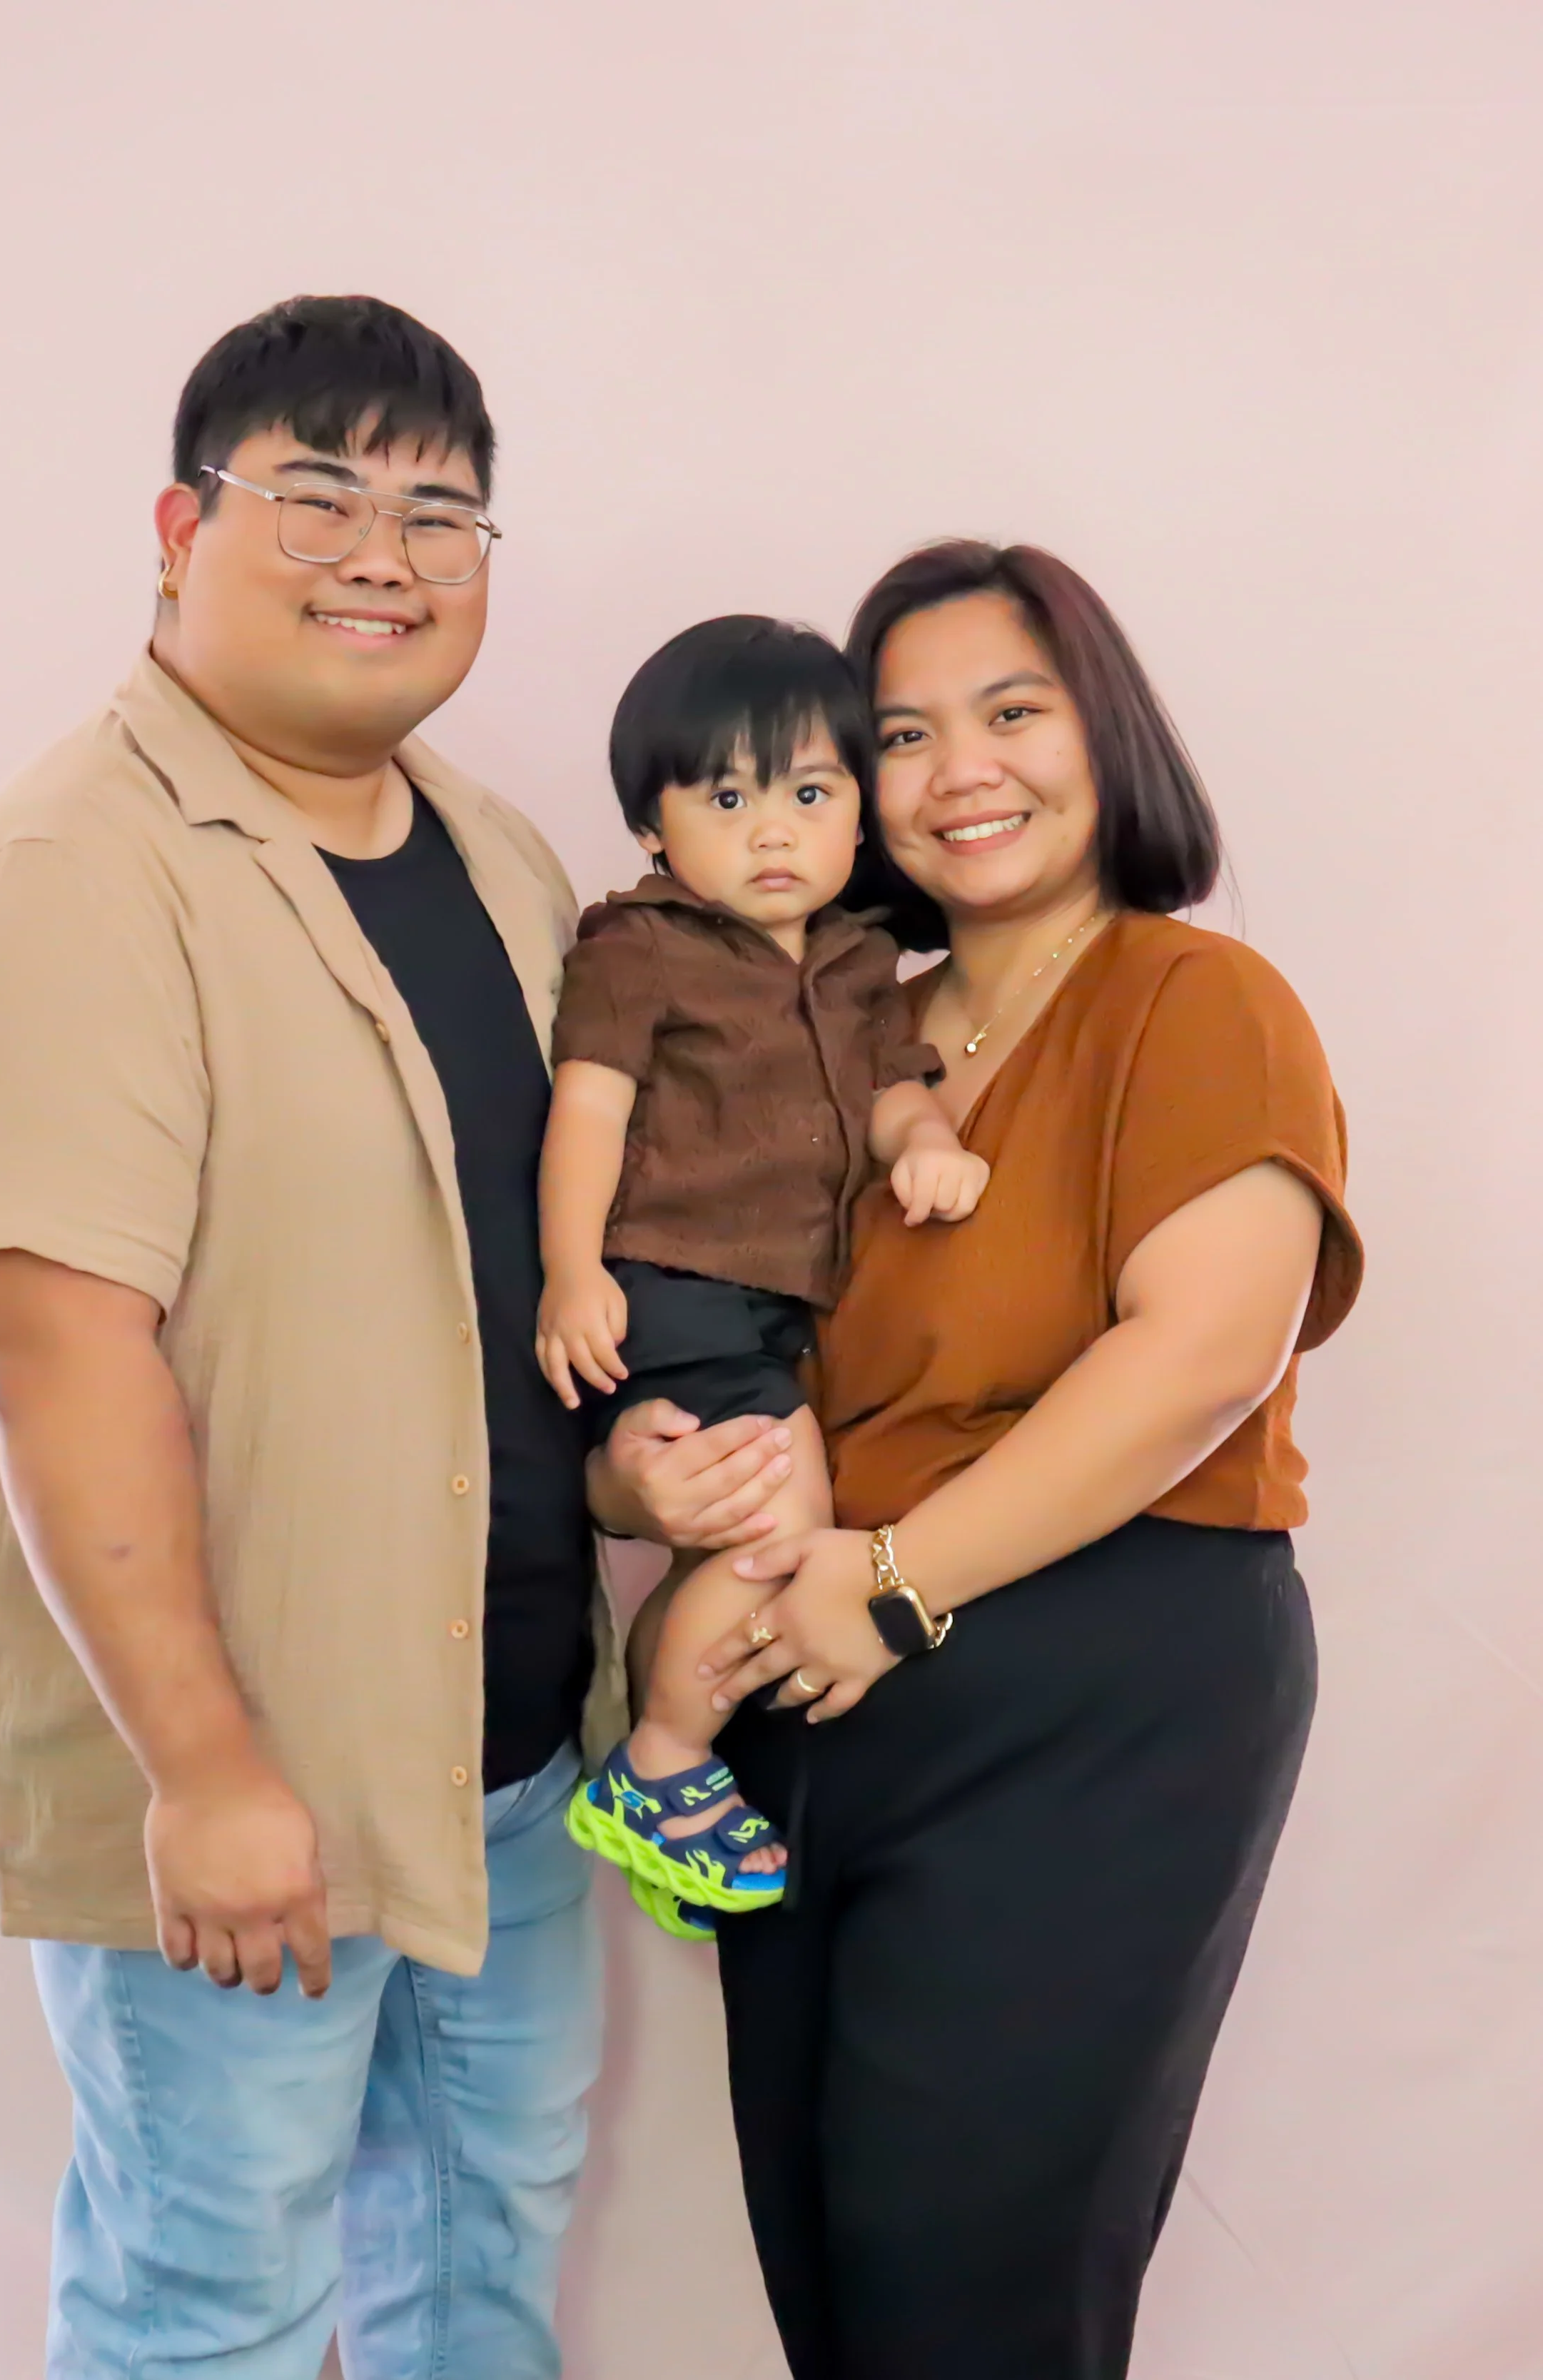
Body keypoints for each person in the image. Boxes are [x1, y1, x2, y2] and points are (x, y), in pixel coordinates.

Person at [0, 295, 615, 2380]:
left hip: (510, 1754)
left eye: (440, 509)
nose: (386, 549)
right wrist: (203, 1767)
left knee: (482, 2247)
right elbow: (58, 1354)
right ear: (180, 527)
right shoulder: (63, 879)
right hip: (244, 1774)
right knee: (215, 2298)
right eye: (319, 491)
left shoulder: (493, 853)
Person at [595, 540, 1364, 2379]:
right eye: (902, 734)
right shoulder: (843, 1027)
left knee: (970, 2293)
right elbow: (704, 1334)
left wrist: (892, 1576)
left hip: (1088, 1684)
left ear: (1103, 733)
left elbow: (1198, 1355)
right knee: (831, 2267)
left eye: (1012, 713)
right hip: (807, 1694)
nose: (959, 771)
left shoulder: (1192, 996)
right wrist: (640, 1473)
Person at [537, 616, 986, 1928]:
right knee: (782, 1527)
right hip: (668, 1282)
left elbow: (899, 1092)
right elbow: (590, 1112)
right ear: (653, 828)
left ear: (860, 809)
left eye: (807, 793)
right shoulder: (641, 946)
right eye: (727, 799)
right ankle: (661, 1763)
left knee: (748, 1533)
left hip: (776, 1309)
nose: (773, 830)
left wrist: (933, 1146)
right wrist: (572, 1271)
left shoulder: (859, 963)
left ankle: (673, 1762)